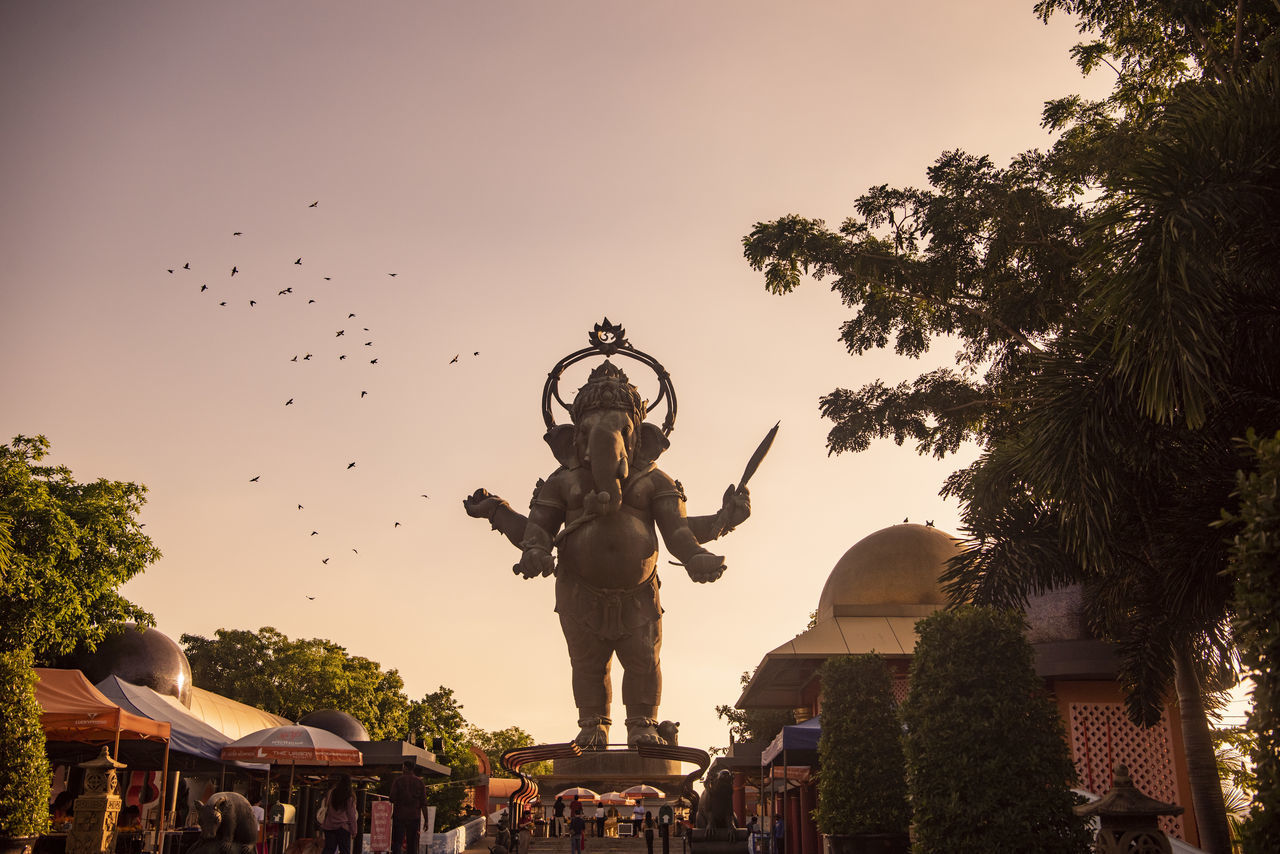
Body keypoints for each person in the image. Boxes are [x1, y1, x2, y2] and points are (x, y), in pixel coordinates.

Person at [390, 759, 428, 854]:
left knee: (397, 842)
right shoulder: (419, 782)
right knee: (412, 843)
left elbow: (391, 798)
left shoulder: (398, 781)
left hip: (399, 815)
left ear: (405, 768)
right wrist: (426, 820)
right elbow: (423, 803)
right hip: (414, 816)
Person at [319, 774, 358, 854]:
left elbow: (327, 807)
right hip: (343, 827)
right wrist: (354, 830)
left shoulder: (331, 793)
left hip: (329, 826)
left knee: (328, 849)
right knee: (345, 851)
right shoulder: (349, 796)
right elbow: (351, 815)